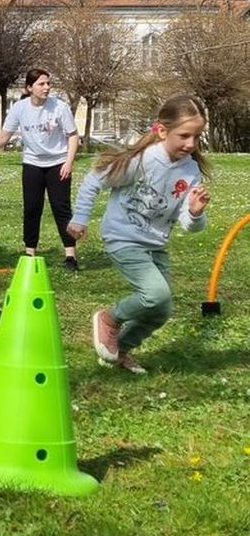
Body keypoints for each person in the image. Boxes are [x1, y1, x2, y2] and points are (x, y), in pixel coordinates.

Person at [67, 96, 210, 375]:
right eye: (184, 136)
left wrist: (194, 212)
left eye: (196, 136)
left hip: (155, 244)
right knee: (155, 294)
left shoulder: (190, 170)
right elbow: (95, 179)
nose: (191, 144)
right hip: (124, 238)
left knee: (161, 309)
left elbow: (189, 225)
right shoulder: (142, 161)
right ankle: (109, 319)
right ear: (162, 131)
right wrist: (80, 217)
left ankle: (119, 349)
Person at [0, 68, 80, 270]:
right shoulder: (19, 108)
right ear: (29, 88)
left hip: (58, 163)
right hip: (33, 163)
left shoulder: (59, 107)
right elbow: (3, 137)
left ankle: (70, 255)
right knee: (31, 209)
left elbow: (72, 135)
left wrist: (68, 162)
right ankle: (30, 252)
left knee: (61, 208)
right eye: (41, 84)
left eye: (48, 83)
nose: (46, 87)